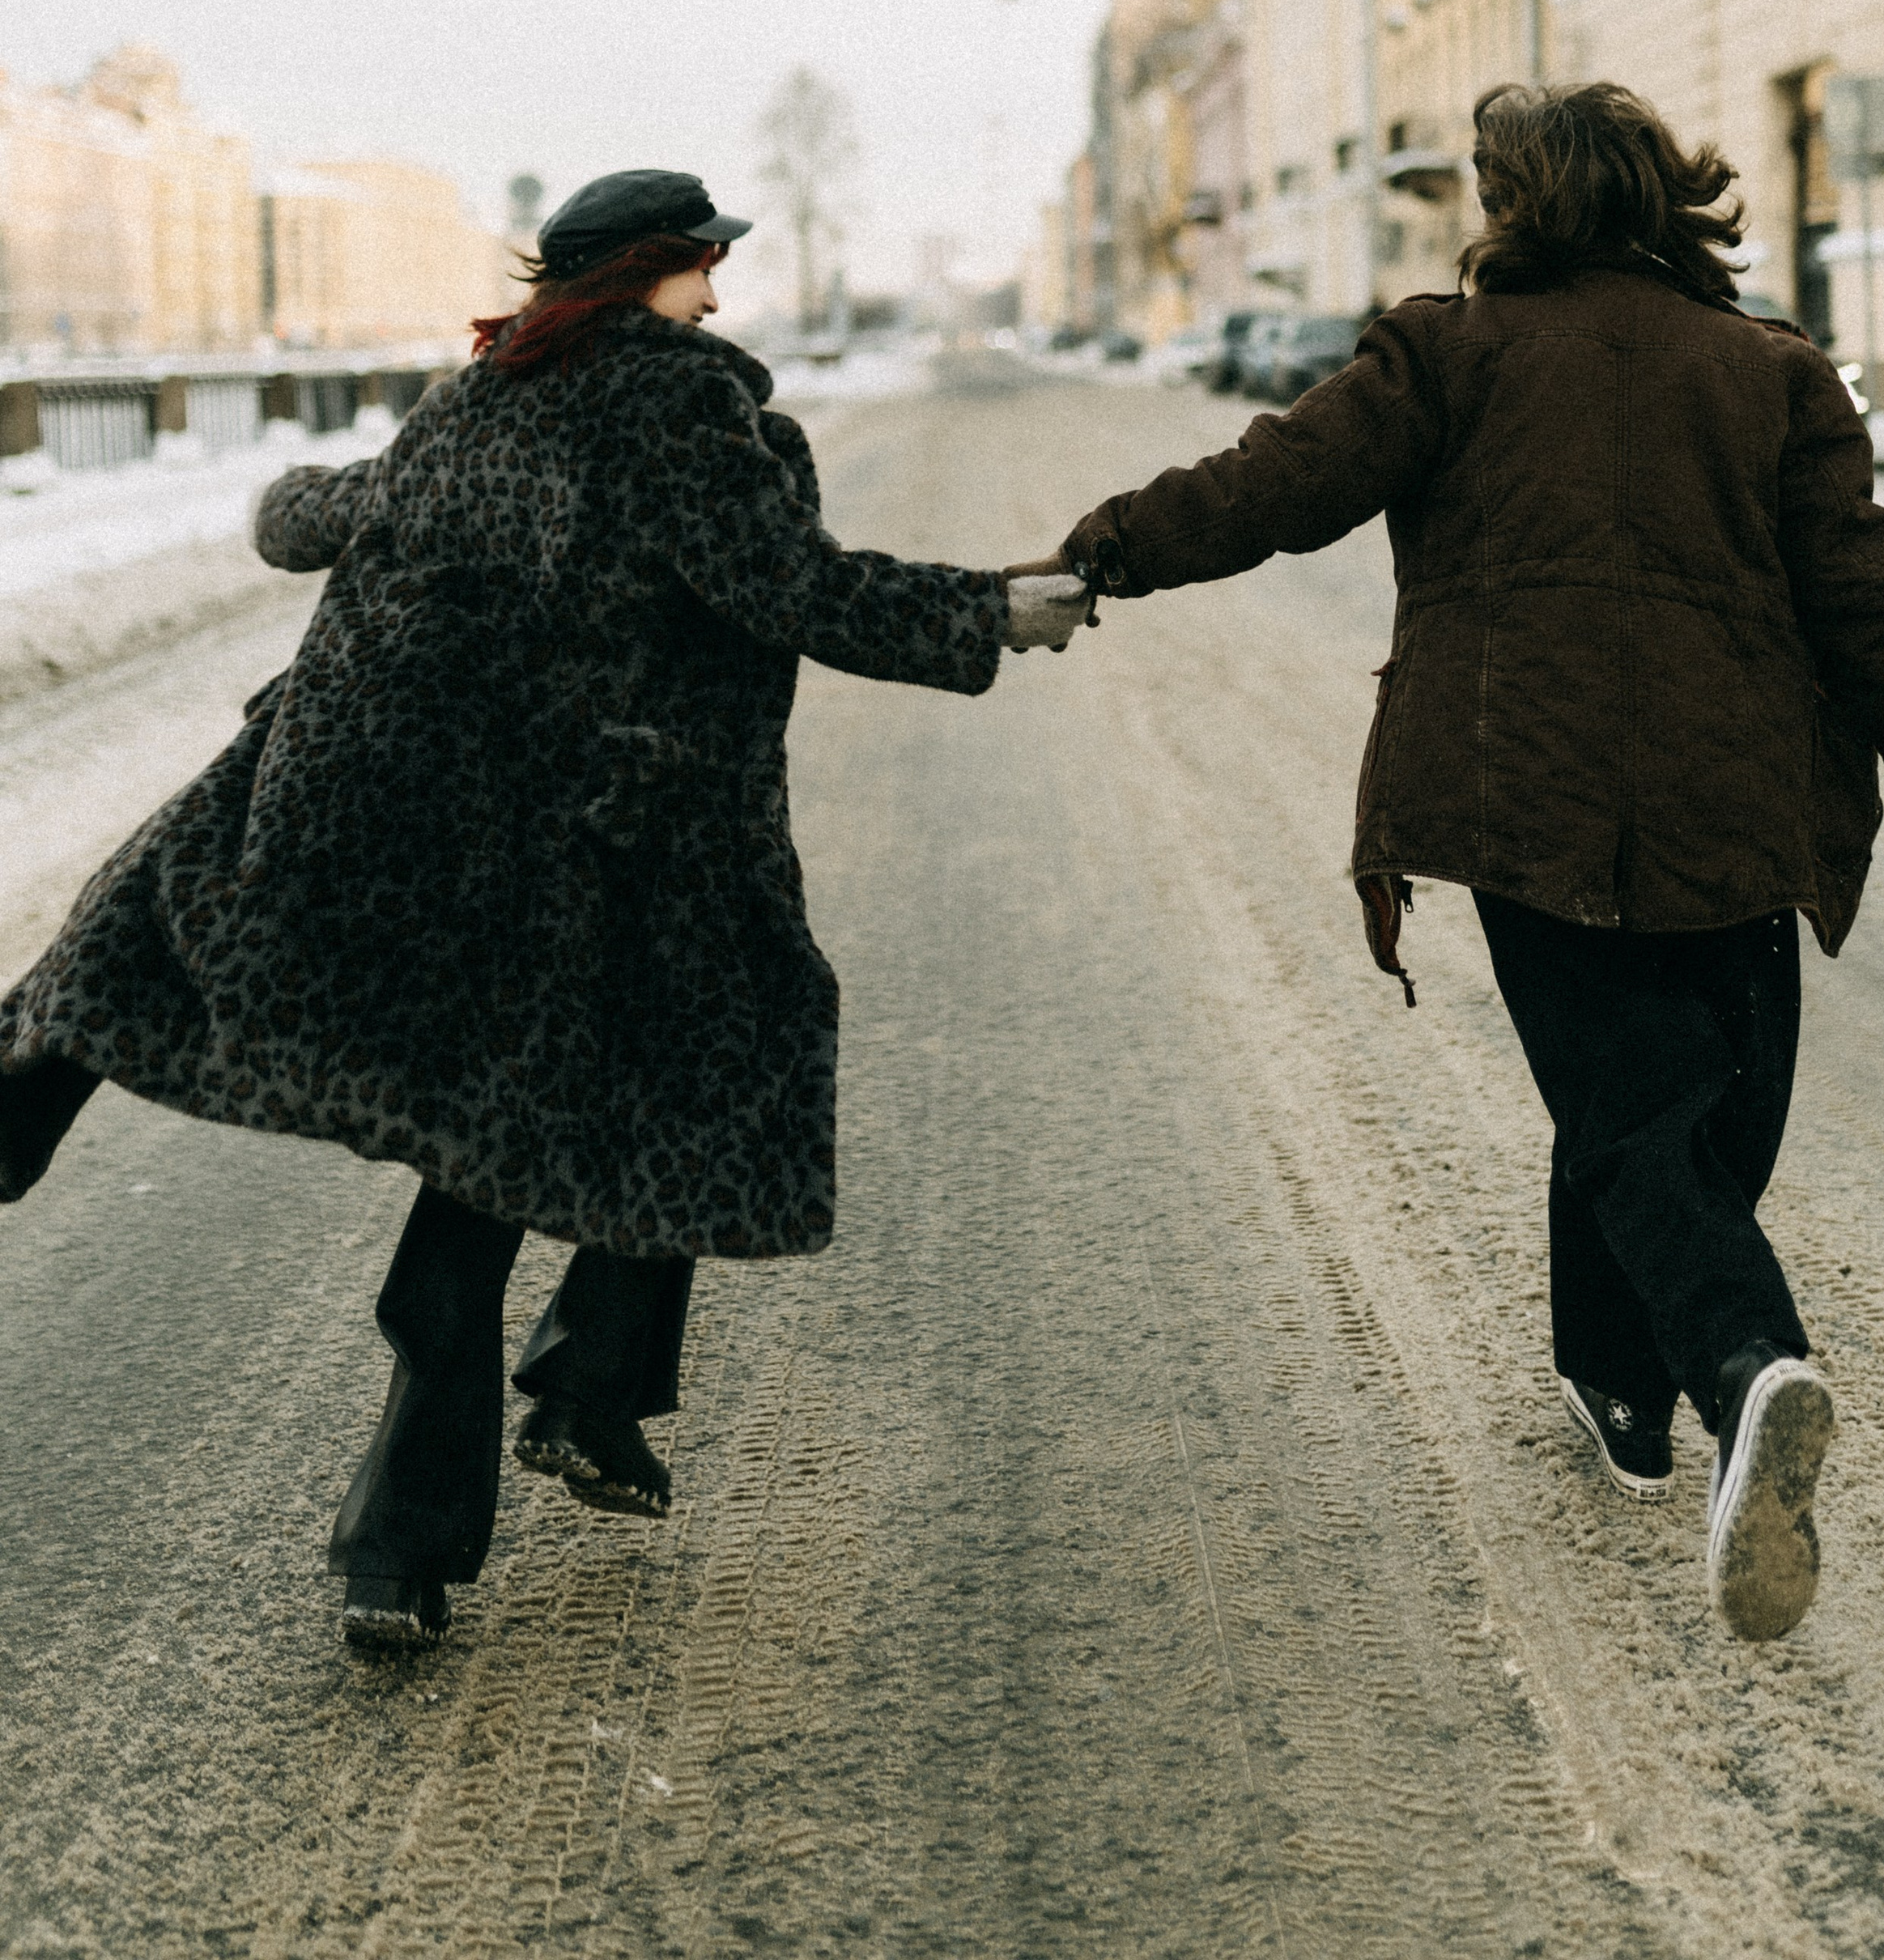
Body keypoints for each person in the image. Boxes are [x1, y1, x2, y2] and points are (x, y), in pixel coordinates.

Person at [0, 166, 1087, 1648]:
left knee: (196, 928)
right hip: (593, 842)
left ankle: (474, 1468)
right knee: (641, 1097)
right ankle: (522, 1446)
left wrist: (284, 502)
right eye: (705, 266)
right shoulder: (677, 410)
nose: (720, 293)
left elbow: (322, 513)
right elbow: (795, 590)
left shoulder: (478, 395)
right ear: (651, 271)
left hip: (419, 820)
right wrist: (989, 611)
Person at [1019, 83, 1884, 1643]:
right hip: (1737, 796)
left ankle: (1740, 1367)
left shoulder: (1452, 349)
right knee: (1690, 1113)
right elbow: (1870, 599)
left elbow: (1276, 486)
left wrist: (1108, 550)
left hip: (1525, 789)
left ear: (1523, 204)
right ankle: (1626, 1380)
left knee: (1631, 1117)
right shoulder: (1776, 375)